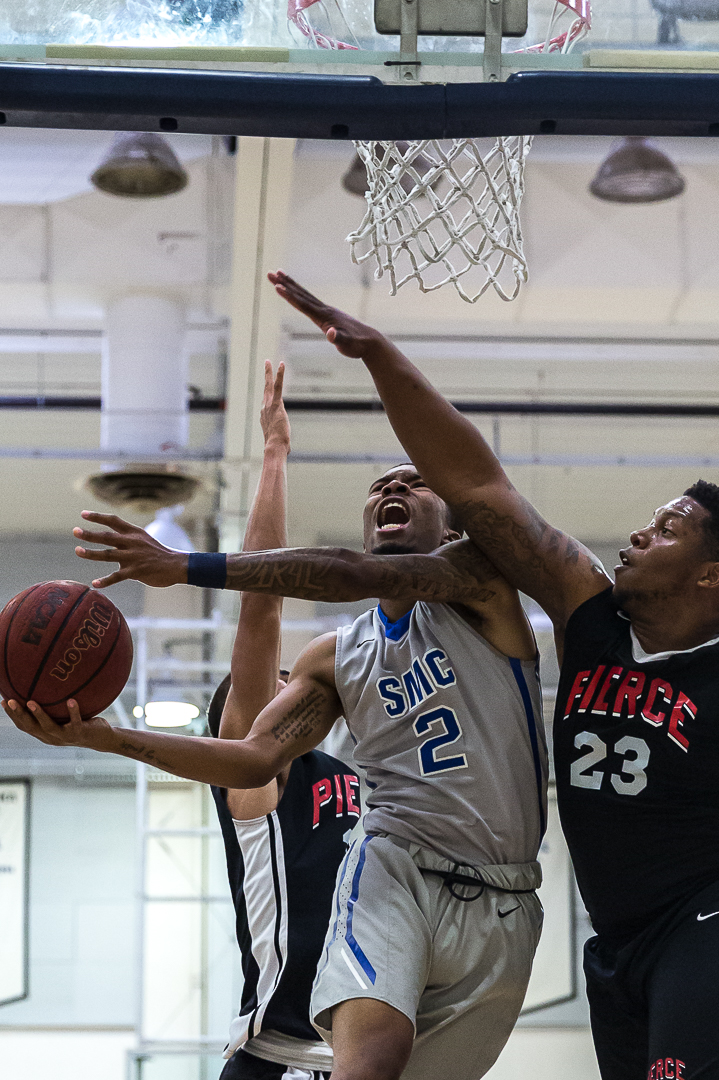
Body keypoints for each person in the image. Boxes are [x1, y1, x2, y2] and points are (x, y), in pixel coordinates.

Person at [254, 273, 719, 1080]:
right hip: (614, 936)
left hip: (703, 917)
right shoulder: (590, 614)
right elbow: (479, 491)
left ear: (712, 575)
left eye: (669, 528)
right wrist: (382, 359)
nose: (642, 532)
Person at [9, 458, 548, 1080]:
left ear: (452, 530)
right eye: (378, 485)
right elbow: (254, 698)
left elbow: (352, 573)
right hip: (301, 1026)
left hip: (502, 894)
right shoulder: (323, 687)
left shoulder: (479, 585)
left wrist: (267, 465)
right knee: (373, 1060)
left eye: (414, 481)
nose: (393, 488)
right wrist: (107, 738)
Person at [207, 361, 361, 1080]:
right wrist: (273, 457)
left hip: (377, 1052)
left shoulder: (359, 767)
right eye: (268, 684)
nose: (289, 684)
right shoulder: (257, 786)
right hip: (283, 1056)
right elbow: (260, 605)